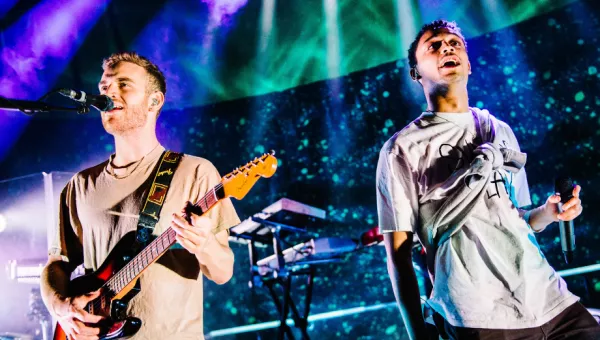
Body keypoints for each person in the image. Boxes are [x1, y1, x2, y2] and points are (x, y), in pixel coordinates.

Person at [376, 20, 599, 339]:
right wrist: (417, 334)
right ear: (415, 73)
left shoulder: (499, 130)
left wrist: (549, 213)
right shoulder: (402, 148)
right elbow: (398, 257)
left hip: (549, 298)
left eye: (454, 43)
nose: (446, 48)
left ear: (467, 63)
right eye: (434, 46)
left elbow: (518, 218)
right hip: (479, 313)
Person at [40, 52, 240, 340]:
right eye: (104, 86)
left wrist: (204, 243)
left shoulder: (196, 172)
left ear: (154, 101)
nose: (108, 91)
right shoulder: (80, 185)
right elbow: (56, 265)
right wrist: (60, 307)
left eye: (124, 84)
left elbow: (223, 272)